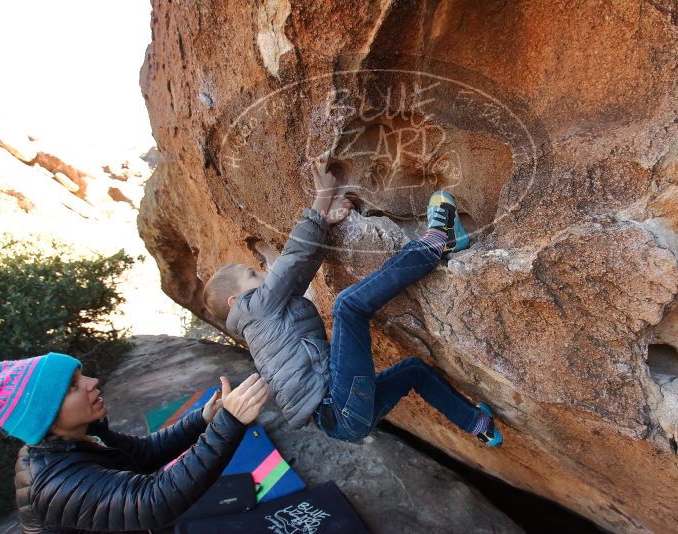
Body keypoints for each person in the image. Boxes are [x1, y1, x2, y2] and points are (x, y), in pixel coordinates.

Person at [204, 164, 502, 446]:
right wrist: (320, 201)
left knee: (414, 371)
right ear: (235, 301)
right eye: (252, 274)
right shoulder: (253, 309)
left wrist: (324, 223)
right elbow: (291, 260)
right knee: (348, 306)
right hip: (336, 405)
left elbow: (299, 271)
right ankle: (438, 241)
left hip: (342, 420)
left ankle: (480, 426)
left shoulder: (261, 323)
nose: (263, 273)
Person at [0, 351, 269, 533]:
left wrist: (203, 419)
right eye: (72, 387)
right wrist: (229, 422)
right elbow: (153, 501)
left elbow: (143, 452)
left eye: (81, 376)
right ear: (47, 418)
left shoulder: (81, 435)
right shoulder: (53, 482)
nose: (92, 382)